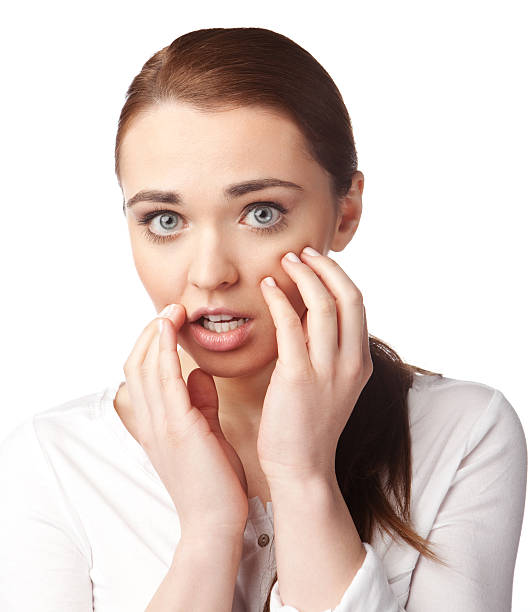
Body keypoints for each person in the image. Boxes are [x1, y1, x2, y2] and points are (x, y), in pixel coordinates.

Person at [0, 26, 527, 612]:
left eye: (261, 211)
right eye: (165, 220)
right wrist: (207, 533)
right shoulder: (52, 460)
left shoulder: (462, 433)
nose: (210, 273)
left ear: (345, 210)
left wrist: (303, 479)